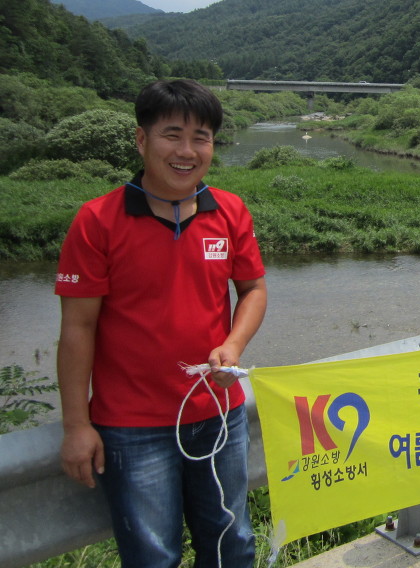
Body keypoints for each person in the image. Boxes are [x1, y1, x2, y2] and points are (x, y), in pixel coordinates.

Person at [56, 79, 268, 568]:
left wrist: (233, 345)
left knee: (233, 546)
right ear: (141, 139)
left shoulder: (230, 211)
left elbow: (253, 290)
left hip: (218, 413)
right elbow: (77, 329)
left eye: (201, 138)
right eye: (172, 135)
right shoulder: (97, 220)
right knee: (153, 558)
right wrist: (76, 425)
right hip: (132, 428)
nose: (187, 151)